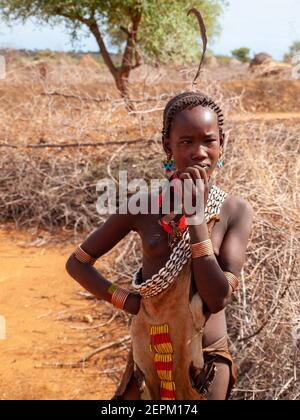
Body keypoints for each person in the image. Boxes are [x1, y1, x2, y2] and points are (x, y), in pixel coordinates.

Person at [65, 90, 253, 400]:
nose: (199, 152)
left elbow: (217, 299)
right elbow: (77, 263)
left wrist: (195, 220)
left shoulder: (235, 211)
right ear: (168, 147)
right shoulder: (143, 206)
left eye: (209, 141)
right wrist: (123, 300)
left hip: (205, 364)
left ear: (223, 143)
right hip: (150, 354)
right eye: (186, 142)